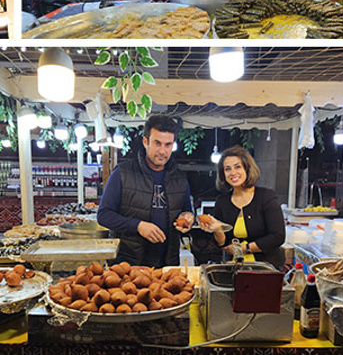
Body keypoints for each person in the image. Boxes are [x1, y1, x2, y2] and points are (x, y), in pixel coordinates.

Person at [97, 115, 193, 267]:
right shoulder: (123, 173)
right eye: (157, 143)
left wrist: (188, 218)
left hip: (167, 263)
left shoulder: (180, 178)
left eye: (168, 145)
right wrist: (138, 226)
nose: (162, 151)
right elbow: (104, 215)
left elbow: (187, 211)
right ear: (145, 142)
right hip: (128, 263)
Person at [191, 147, 287, 270]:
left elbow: (277, 236)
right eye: (227, 169)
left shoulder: (266, 197)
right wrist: (217, 229)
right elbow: (223, 244)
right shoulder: (222, 201)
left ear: (247, 168)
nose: (233, 173)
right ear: (223, 173)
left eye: (237, 167)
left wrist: (242, 249)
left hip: (266, 268)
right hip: (234, 268)